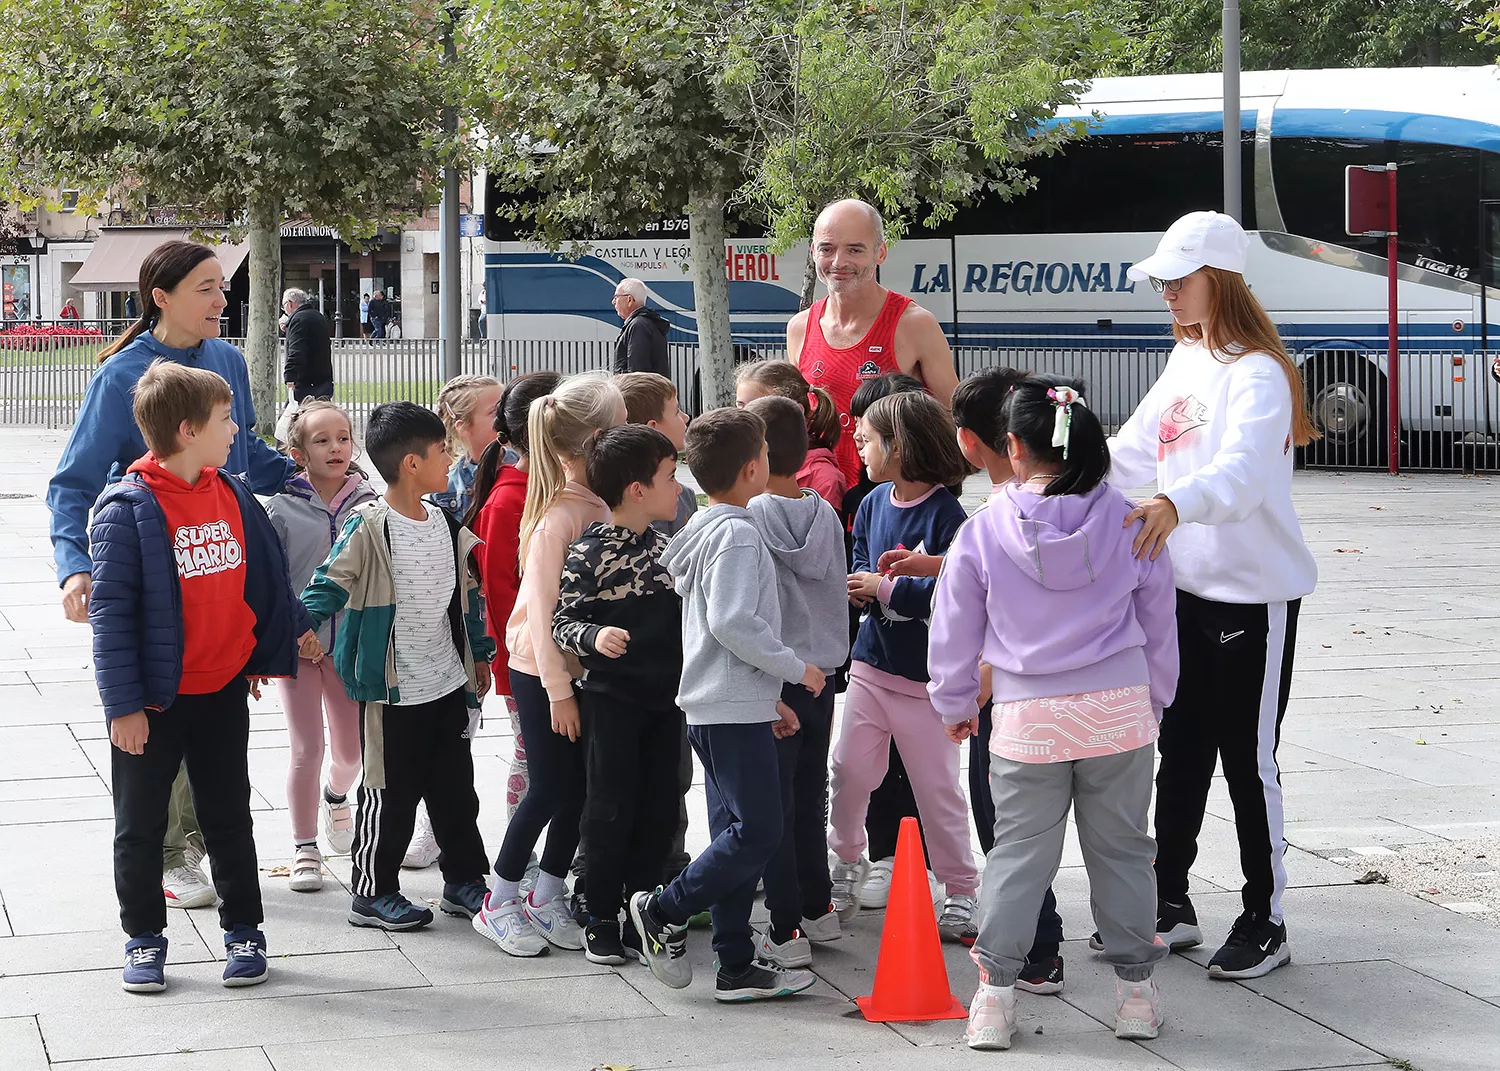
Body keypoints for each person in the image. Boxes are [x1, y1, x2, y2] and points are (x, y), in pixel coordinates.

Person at [930, 374, 1178, 1049]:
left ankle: (994, 1000)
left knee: (1017, 856)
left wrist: (955, 702)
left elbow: (952, 630)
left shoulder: (983, 531)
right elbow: (1160, 623)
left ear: (1013, 447)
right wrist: (1155, 697)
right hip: (1119, 710)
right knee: (1124, 851)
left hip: (1027, 717)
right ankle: (1135, 996)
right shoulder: (1132, 521)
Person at [47, 240, 295, 912]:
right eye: (207, 287)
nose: (222, 299)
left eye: (223, 286)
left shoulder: (226, 361)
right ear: (162, 297)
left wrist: (309, 471)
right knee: (161, 712)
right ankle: (168, 851)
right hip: (159, 583)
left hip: (222, 569)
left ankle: (203, 840)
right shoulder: (121, 376)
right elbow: (72, 483)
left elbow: (245, 452)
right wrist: (74, 568)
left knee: (214, 719)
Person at [1108, 211, 1319, 980]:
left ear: (1219, 279)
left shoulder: (1258, 372)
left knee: (1247, 759)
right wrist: (1055, 476)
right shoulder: (1187, 358)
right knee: (1184, 744)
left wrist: (1174, 502)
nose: (1166, 293)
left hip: (1253, 600)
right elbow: (1133, 449)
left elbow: (1243, 475)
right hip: (1184, 590)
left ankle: (1267, 917)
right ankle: (1169, 900)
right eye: (1160, 281)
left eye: (1178, 279)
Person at [91, 360, 317, 993]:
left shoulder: (233, 492)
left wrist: (271, 644)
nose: (236, 429)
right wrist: (123, 706)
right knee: (140, 825)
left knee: (228, 818)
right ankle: (144, 938)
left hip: (222, 691)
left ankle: (244, 931)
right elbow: (111, 619)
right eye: (226, 419)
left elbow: (264, 578)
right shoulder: (127, 508)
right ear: (188, 431)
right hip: (154, 702)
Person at [629, 406, 827, 1003]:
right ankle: (663, 910)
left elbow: (719, 629)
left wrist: (768, 699)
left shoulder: (709, 526)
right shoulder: (738, 534)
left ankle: (735, 963)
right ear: (752, 469)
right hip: (729, 707)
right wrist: (795, 670)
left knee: (735, 834)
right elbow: (734, 622)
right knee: (759, 832)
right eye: (764, 453)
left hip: (725, 704)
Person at [299, 401, 495, 932]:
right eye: (441, 451)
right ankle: (373, 892)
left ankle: (464, 881)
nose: (449, 458)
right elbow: (328, 583)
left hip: (447, 685)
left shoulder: (446, 524)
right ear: (412, 464)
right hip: (391, 693)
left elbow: (466, 599)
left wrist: (479, 655)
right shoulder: (369, 526)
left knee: (457, 793)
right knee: (390, 796)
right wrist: (298, 630)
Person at [471, 372, 625, 957]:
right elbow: (537, 613)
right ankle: (499, 899)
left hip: (575, 671)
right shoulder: (559, 516)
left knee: (577, 788)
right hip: (543, 672)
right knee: (551, 788)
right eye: (621, 427)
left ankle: (546, 893)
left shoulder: (591, 503)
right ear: (596, 440)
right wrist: (559, 689)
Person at [827, 391, 979, 938]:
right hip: (871, 669)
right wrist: (862, 586)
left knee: (936, 790)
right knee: (849, 771)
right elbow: (861, 561)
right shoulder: (871, 502)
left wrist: (885, 588)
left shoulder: (948, 515)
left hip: (925, 682)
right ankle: (846, 863)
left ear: (900, 446)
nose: (857, 444)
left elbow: (950, 592)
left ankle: (960, 889)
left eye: (867, 439)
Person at [551, 424, 685, 965]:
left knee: (660, 806)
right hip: (611, 703)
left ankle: (642, 909)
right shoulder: (590, 552)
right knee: (608, 808)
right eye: (670, 477)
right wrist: (594, 636)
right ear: (637, 489)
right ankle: (601, 914)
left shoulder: (668, 547)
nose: (679, 487)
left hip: (667, 703)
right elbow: (563, 622)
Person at [744, 395, 850, 965]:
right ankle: (818, 906)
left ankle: (784, 927)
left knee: (775, 804)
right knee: (810, 797)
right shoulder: (825, 512)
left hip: (779, 676)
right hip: (823, 676)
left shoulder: (751, 516)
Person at [264, 400, 377, 891]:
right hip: (298, 650)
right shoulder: (279, 508)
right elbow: (270, 581)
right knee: (307, 747)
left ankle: (335, 797)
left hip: (350, 649)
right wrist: (297, 632)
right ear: (298, 453)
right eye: (322, 440)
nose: (336, 448)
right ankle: (304, 847)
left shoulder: (371, 506)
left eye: (343, 437)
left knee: (352, 755)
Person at [788, 198, 959, 489]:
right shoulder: (799, 328)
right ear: (813, 251)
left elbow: (954, 420)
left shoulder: (914, 324)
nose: (838, 262)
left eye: (854, 249)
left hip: (891, 500)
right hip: (823, 498)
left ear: (880, 252)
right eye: (827, 249)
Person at [468, 371, 563, 892]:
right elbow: (504, 597)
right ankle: (519, 858)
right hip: (526, 660)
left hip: (556, 654)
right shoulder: (508, 501)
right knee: (532, 759)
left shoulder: (550, 490)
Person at [615, 370, 697, 890]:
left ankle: (670, 869)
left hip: (672, 662)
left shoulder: (682, 497)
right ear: (651, 428)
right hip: (629, 664)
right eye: (676, 410)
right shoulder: (610, 508)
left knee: (673, 774)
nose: (686, 417)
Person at [734, 360, 846, 509]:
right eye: (741, 406)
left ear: (795, 410)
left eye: (758, 407)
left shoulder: (823, 478)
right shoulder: (742, 463)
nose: (745, 418)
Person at [432, 374, 504, 521]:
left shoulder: (526, 468)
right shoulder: (445, 489)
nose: (506, 416)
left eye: (507, 407)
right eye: (495, 412)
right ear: (464, 427)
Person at [282, 289, 334, 402]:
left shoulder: (298, 320)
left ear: (289, 304)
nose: (284, 310)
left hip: (305, 383)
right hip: (322, 379)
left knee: (294, 412)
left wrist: (290, 375)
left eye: (284, 306)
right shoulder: (318, 316)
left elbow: (297, 351)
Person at [611, 278, 671, 377]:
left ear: (629, 300)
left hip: (638, 387)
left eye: (616, 297)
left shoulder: (638, 326)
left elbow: (637, 372)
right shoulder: (647, 323)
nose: (613, 302)